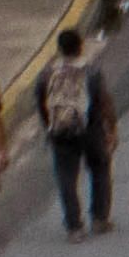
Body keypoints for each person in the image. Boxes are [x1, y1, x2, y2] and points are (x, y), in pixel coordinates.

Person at [38, 26, 114, 238]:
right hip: (91, 130)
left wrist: (50, 128)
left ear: (59, 49)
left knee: (66, 178)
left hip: (60, 132)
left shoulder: (46, 74)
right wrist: (111, 128)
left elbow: (41, 105)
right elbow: (104, 101)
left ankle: (74, 227)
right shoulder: (91, 71)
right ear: (80, 47)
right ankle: (100, 219)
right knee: (99, 169)